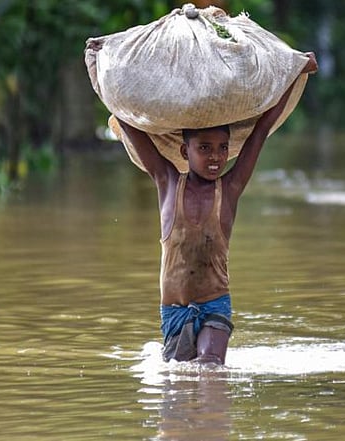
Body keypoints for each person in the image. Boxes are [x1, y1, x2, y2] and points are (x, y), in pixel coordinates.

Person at [117, 54, 318, 365]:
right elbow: (131, 125)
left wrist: (294, 75)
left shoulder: (231, 188)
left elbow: (260, 132)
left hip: (215, 305)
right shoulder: (168, 182)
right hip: (174, 311)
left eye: (223, 148)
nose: (216, 157)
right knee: (178, 382)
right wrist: (102, 68)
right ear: (185, 151)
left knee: (210, 366)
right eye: (205, 148)